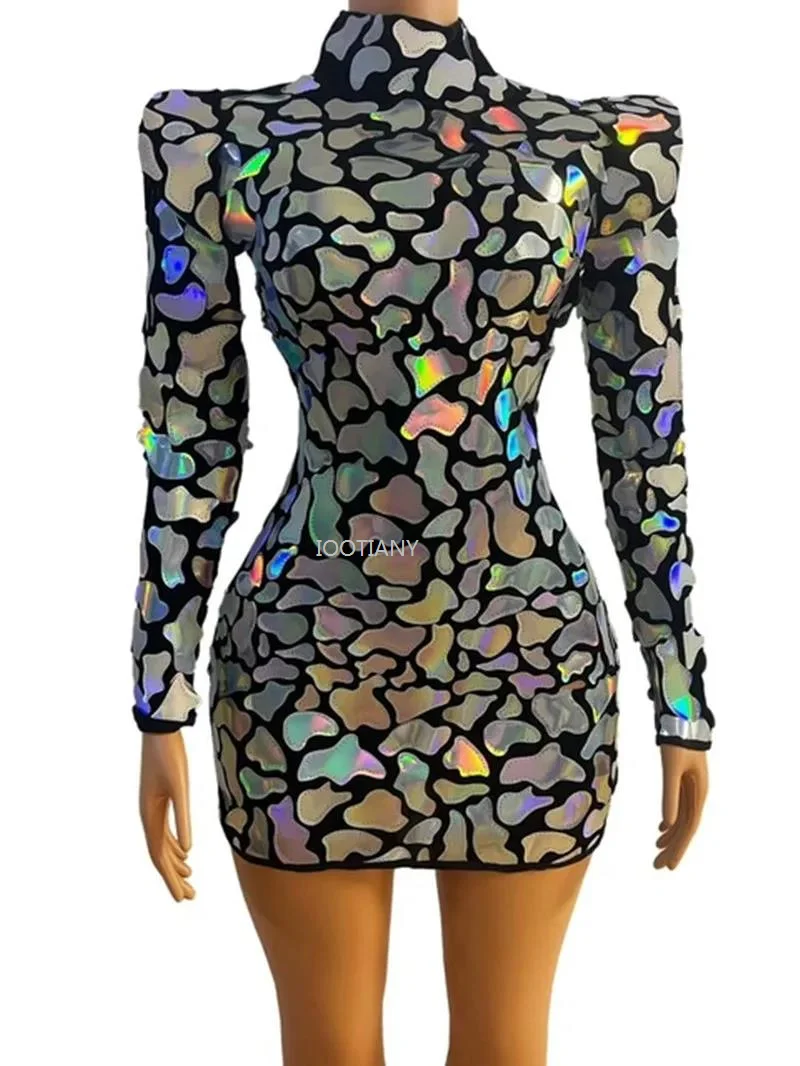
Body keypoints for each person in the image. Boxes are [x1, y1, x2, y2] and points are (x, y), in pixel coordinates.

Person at [132, 3, 713, 1063]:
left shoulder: (607, 147)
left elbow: (645, 432)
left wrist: (680, 690)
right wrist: (158, 689)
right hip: (300, 666)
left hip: (530, 666)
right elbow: (190, 427)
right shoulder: (213, 139)